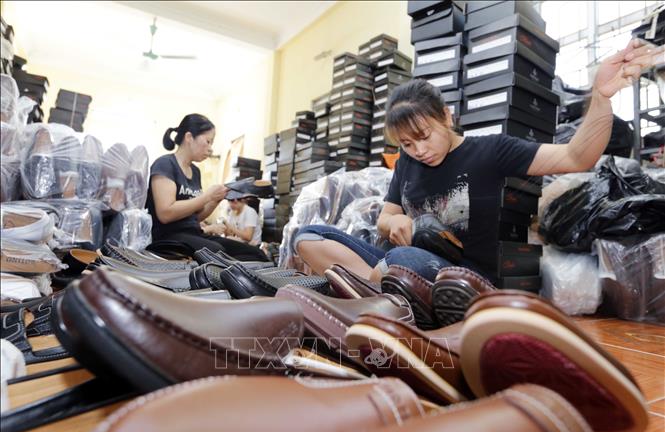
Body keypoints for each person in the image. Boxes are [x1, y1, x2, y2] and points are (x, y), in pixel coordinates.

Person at [294, 39, 662, 282]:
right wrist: (396, 222)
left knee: (402, 261)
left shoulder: (490, 150)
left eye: (424, 136)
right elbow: (385, 217)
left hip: (464, 274)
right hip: (403, 262)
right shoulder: (406, 162)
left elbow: (576, 155)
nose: (417, 150)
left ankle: (373, 286)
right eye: (406, 143)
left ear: (447, 116)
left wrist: (601, 96)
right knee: (308, 237)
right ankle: (378, 287)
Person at [145, 113, 269, 261]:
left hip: (194, 234)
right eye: (208, 141)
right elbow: (165, 213)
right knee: (217, 252)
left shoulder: (195, 172)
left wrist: (216, 199)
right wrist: (207, 196)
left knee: (256, 254)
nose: (210, 149)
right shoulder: (165, 164)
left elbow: (195, 217)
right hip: (168, 236)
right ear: (189, 137)